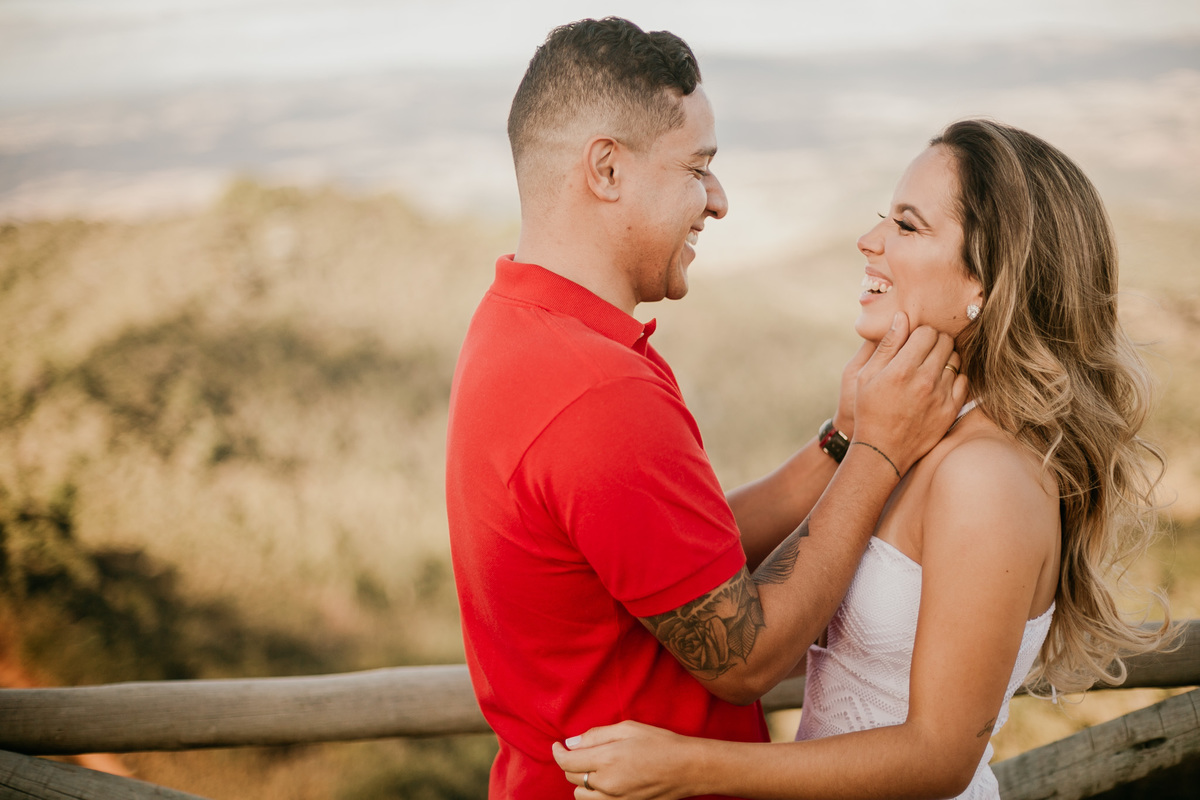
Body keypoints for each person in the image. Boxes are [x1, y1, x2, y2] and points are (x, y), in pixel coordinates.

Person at [552, 119, 1176, 800]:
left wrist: (688, 766)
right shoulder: (914, 438)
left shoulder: (986, 476)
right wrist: (851, 437)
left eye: (906, 225)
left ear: (988, 281)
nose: (869, 240)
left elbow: (941, 756)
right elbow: (722, 565)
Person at [446, 17, 967, 799]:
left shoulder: (518, 326)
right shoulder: (597, 394)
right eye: (698, 168)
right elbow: (745, 657)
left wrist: (841, 439)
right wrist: (879, 456)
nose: (717, 201)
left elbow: (686, 558)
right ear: (607, 169)